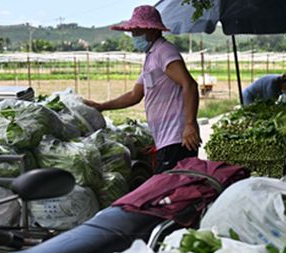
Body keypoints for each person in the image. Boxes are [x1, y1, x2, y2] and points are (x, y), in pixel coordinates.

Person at [83, 5, 200, 173]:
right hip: (167, 141)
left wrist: (190, 124)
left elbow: (189, 84)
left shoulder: (164, 52)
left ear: (151, 30)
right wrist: (101, 106)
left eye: (137, 31)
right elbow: (134, 95)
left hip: (179, 138)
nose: (134, 36)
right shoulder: (151, 57)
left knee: (174, 192)